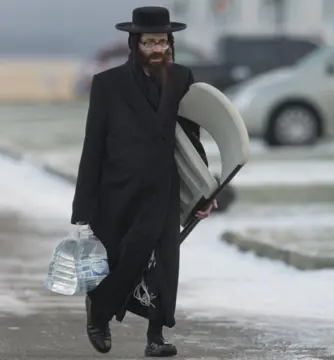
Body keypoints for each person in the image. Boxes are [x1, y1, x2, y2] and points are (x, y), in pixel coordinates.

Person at [70, 6, 216, 357]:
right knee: (122, 259)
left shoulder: (182, 78)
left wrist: (204, 192)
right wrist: (82, 211)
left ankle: (155, 336)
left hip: (163, 186)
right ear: (135, 43)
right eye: (150, 42)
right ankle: (99, 312)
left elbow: (191, 139)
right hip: (117, 189)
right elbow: (93, 147)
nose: (157, 49)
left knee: (163, 261)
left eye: (163, 41)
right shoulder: (107, 84)